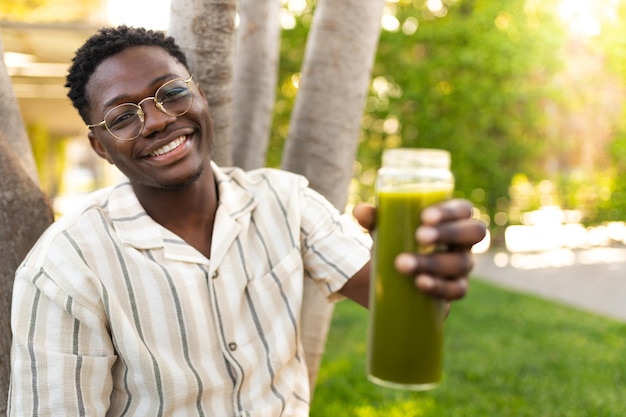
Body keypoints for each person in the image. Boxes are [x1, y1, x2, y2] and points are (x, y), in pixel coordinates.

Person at [8, 26, 486, 416]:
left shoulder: (285, 200)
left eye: (170, 92)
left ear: (200, 96)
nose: (154, 120)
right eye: (122, 117)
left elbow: (410, 305)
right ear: (100, 147)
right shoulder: (64, 269)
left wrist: (423, 269)